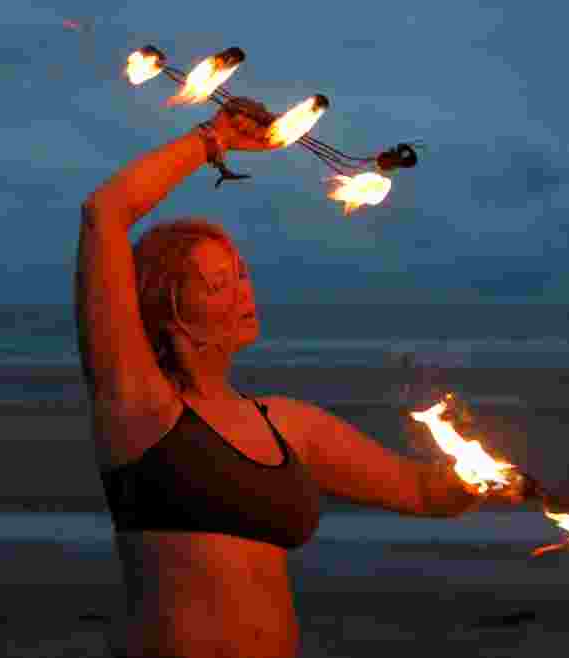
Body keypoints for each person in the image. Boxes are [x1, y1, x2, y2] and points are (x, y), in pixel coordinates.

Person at [75, 97, 530, 658]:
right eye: (219, 285)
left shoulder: (286, 424)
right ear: (167, 309)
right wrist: (213, 139)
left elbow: (419, 490)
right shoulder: (137, 408)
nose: (245, 293)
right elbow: (105, 213)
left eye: (242, 274)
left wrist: (477, 477)